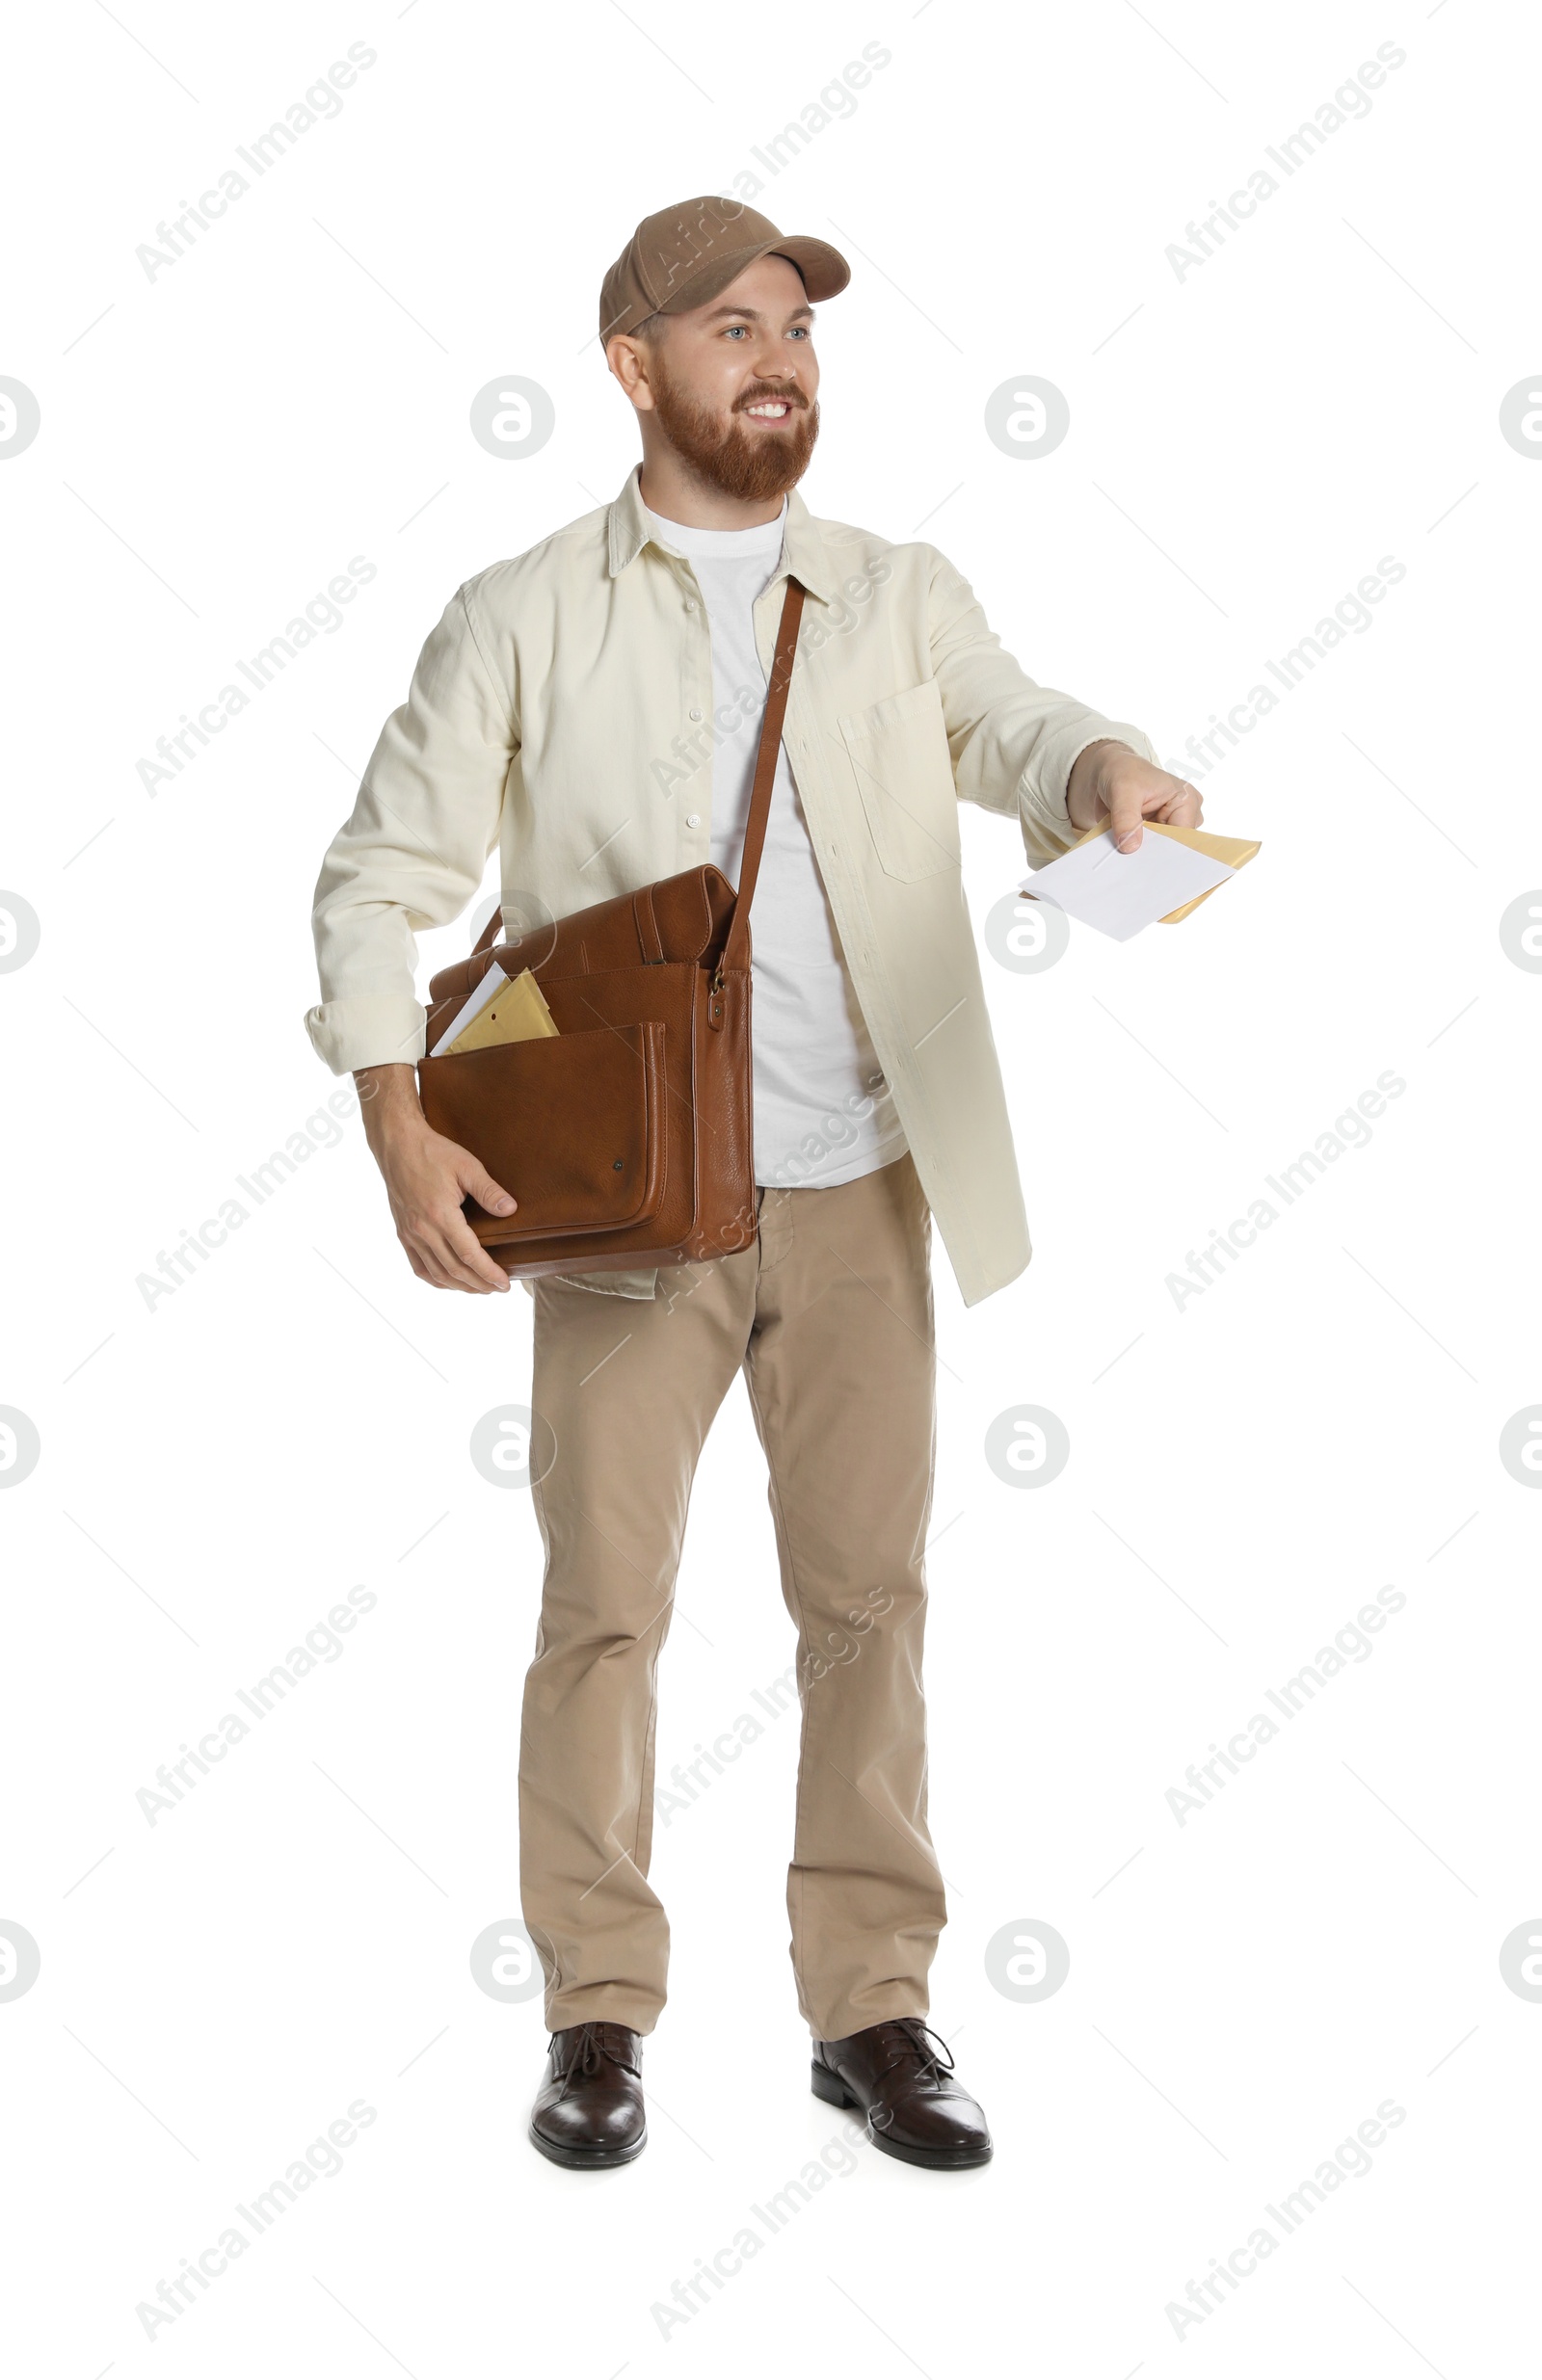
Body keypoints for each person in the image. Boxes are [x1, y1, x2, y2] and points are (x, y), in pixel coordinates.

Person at [306, 195, 1202, 2172]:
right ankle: (596, 2009)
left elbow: (1011, 724)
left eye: (791, 321)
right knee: (603, 1610)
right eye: (726, 324)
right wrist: (395, 1119)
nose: (774, 352)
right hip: (631, 1211)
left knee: (867, 1603)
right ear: (630, 367)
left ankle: (868, 1998)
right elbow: (381, 877)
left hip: (863, 1181)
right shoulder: (522, 607)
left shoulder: (892, 589)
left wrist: (1104, 768)